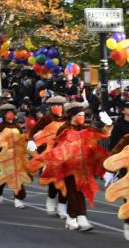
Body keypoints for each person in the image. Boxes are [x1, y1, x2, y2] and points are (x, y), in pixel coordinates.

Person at [47, 102, 106, 231]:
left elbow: (101, 134)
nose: (82, 118)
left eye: (83, 115)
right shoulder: (64, 128)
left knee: (80, 192)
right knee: (74, 192)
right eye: (80, 115)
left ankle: (74, 218)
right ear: (73, 116)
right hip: (68, 166)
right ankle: (78, 218)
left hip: (83, 166)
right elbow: (57, 146)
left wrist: (109, 125)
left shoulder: (84, 127)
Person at [29, 94, 67, 217]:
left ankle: (62, 208)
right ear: (50, 107)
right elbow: (33, 130)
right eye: (54, 105)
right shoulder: (46, 119)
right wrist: (30, 140)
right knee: (53, 180)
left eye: (59, 105)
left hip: (67, 155)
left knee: (65, 182)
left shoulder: (68, 118)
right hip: (51, 155)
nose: (57, 107)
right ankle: (51, 200)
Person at [0, 103, 28, 208]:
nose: (11, 115)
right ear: (4, 115)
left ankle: (18, 199)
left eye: (12, 113)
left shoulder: (17, 127)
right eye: (8, 113)